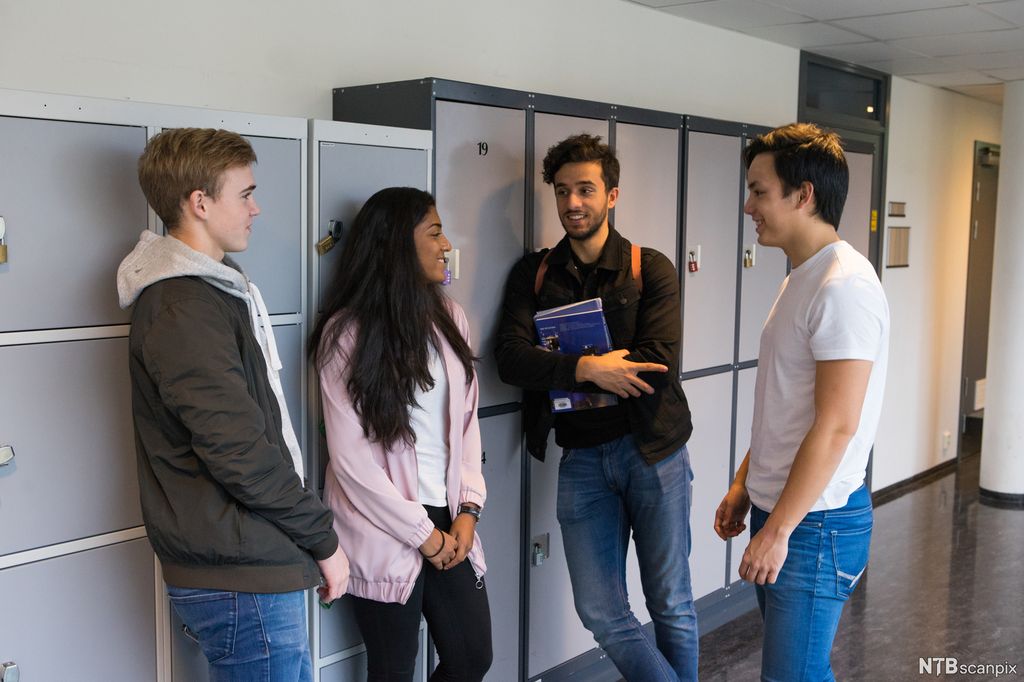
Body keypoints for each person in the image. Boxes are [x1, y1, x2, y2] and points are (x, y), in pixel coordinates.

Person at [116, 128, 348, 681]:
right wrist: (323, 537)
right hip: (239, 576)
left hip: (247, 560)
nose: (256, 207)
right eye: (244, 193)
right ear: (200, 202)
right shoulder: (183, 306)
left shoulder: (211, 290)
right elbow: (239, 450)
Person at [495, 134, 697, 681]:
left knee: (672, 606)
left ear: (612, 195)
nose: (572, 204)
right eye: (562, 192)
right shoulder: (533, 275)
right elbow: (510, 359)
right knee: (602, 612)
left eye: (586, 189)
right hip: (581, 459)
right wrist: (588, 368)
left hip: (652, 452)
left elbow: (657, 363)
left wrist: (562, 362)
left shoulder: (648, 268)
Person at [714, 123, 890, 681]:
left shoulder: (844, 286)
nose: (749, 206)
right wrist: (748, 483)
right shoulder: (802, 279)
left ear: (803, 194)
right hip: (788, 509)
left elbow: (837, 426)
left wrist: (779, 529)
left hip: (816, 524)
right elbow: (785, 406)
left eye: (759, 191)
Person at [310, 187, 492, 682]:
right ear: (395, 245)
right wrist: (420, 534)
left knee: (472, 656)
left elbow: (467, 424)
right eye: (434, 232)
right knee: (392, 670)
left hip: (450, 516)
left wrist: (469, 510)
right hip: (383, 523)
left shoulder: (450, 319)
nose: (446, 243)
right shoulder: (345, 335)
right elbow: (351, 461)